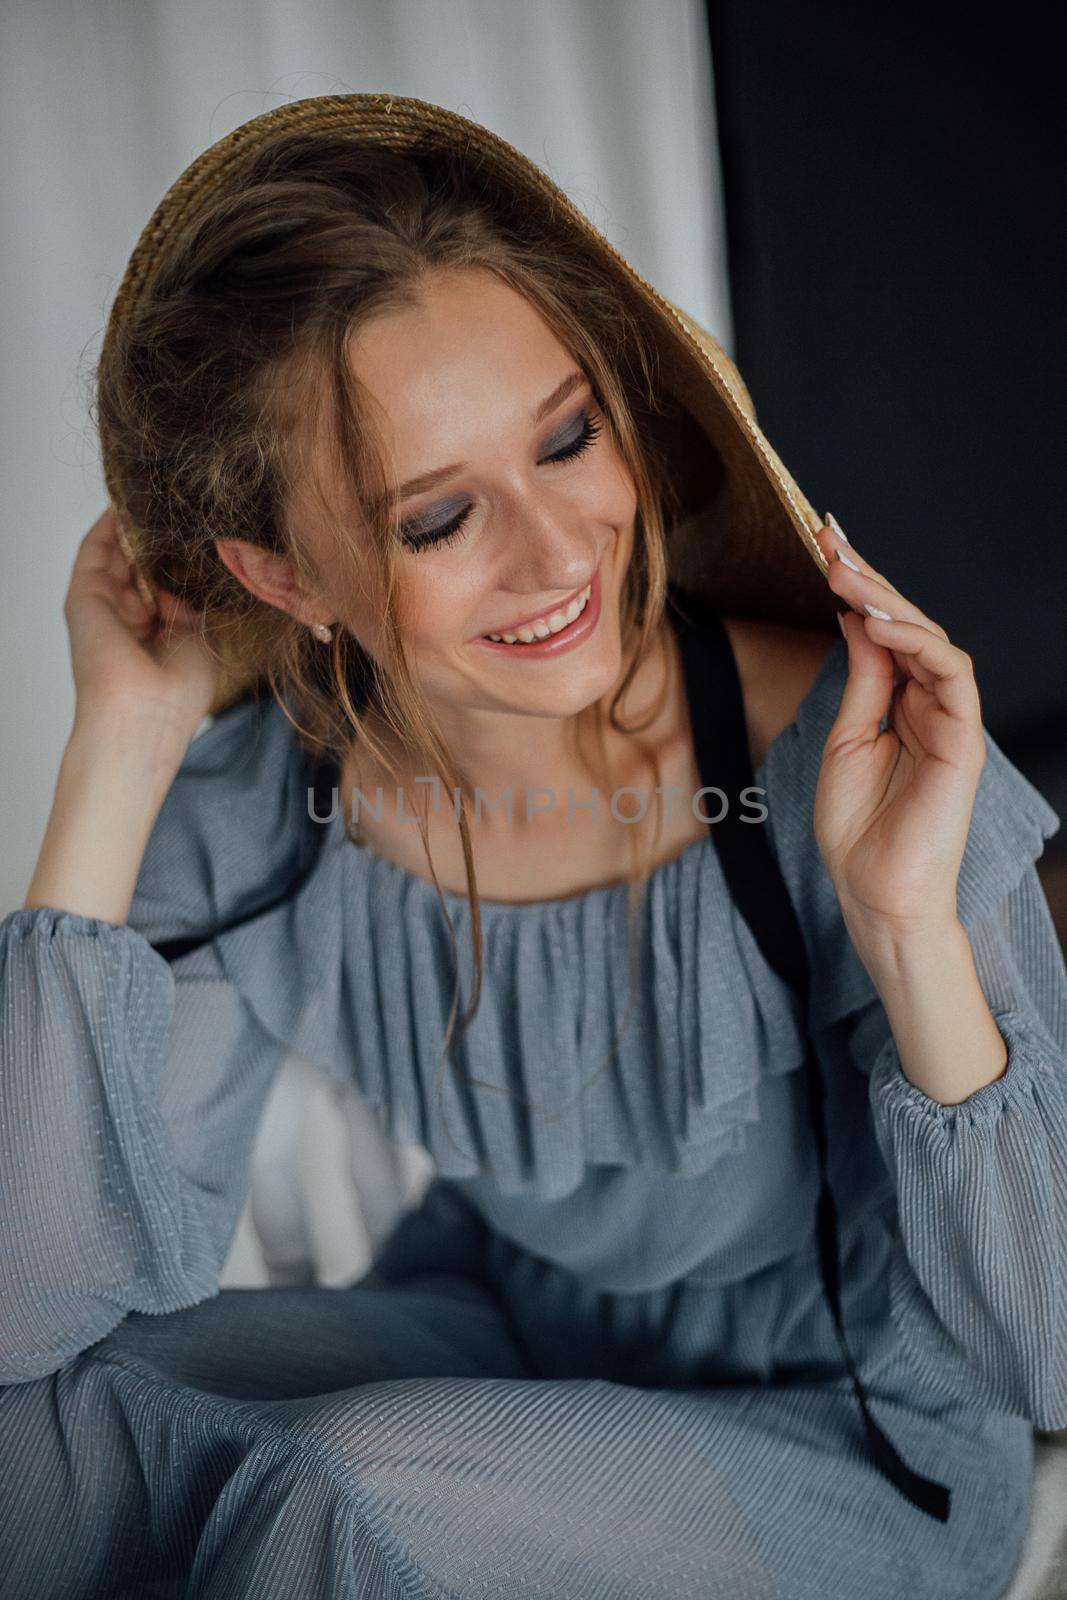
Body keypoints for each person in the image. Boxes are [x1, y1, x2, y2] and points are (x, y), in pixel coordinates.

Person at [1, 96, 1065, 1600]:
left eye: (569, 435)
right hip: (501, 1343)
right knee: (37, 1437)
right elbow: (23, 1313)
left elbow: (1056, 1356)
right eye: (440, 518)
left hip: (844, 1438)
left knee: (344, 1496)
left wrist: (906, 926)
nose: (561, 551)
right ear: (283, 575)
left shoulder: (856, 749)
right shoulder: (264, 809)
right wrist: (118, 747)